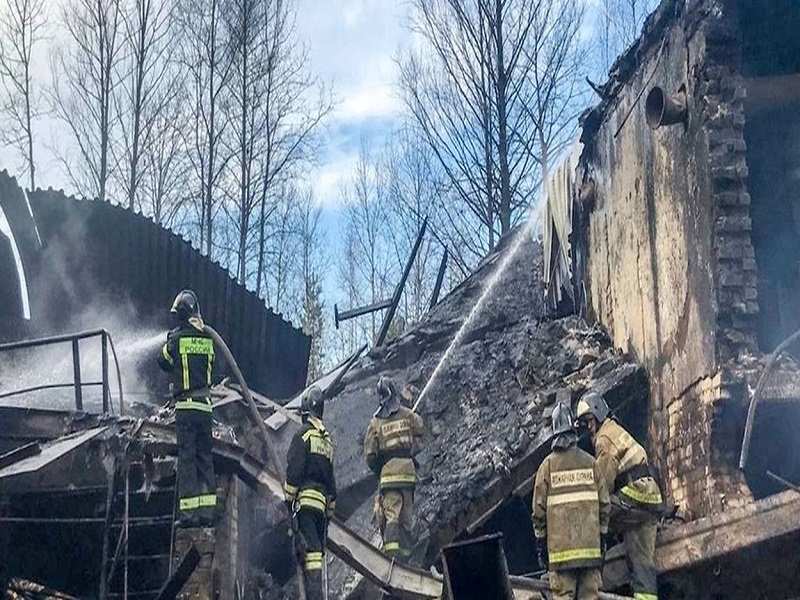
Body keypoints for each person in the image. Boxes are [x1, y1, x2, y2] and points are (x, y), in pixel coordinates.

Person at [576, 392, 664, 600]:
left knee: (596, 513)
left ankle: (587, 575)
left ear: (598, 414)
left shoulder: (604, 439)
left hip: (636, 495)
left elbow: (602, 487)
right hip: (649, 499)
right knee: (642, 563)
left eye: (588, 421)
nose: (588, 428)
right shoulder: (615, 430)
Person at [533, 403, 610, 600]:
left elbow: (538, 513)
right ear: (574, 430)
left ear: (554, 432)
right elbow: (604, 505)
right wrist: (602, 538)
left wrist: (541, 544)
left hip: (561, 559)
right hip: (590, 555)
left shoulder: (547, 467)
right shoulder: (591, 463)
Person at [157, 289, 217, 527]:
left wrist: (169, 340)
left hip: (186, 407)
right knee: (205, 458)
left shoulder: (177, 338)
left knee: (188, 459)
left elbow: (163, 361)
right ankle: (208, 513)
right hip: (206, 407)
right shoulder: (208, 339)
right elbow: (214, 369)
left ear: (181, 315)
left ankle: (189, 515)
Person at [283, 386, 336, 600]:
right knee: (316, 554)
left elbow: (294, 471)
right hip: (322, 507)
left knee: (311, 556)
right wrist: (329, 513)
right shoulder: (327, 441)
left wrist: (287, 501)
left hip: (305, 503)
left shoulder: (302, 436)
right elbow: (332, 485)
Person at [364, 376, 424, 560]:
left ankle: (391, 559)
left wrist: (379, 469)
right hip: (408, 474)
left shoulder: (376, 422)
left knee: (391, 517)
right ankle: (406, 557)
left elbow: (370, 455)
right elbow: (420, 429)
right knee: (406, 520)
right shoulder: (407, 414)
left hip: (389, 475)